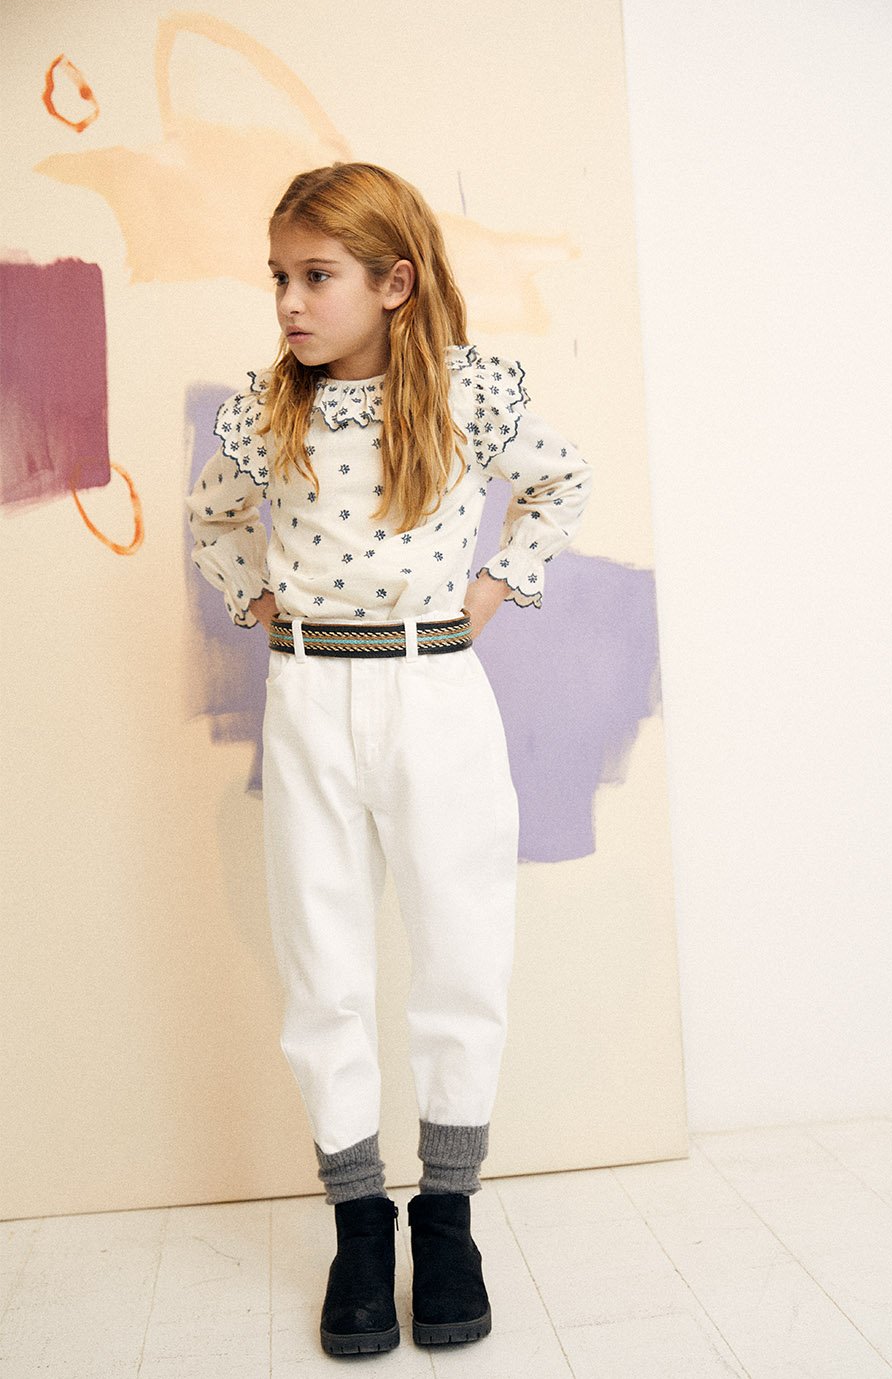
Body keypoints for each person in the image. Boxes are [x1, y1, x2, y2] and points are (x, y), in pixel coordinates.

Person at [185, 162, 592, 1356]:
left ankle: (446, 1219)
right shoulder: (269, 410)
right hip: (309, 697)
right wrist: (256, 601)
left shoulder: (467, 396)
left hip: (434, 696)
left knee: (461, 952)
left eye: (316, 276)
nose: (289, 302)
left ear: (394, 283)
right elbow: (215, 517)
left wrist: (493, 590)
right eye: (278, 277)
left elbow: (559, 481)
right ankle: (359, 1225)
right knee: (323, 966)